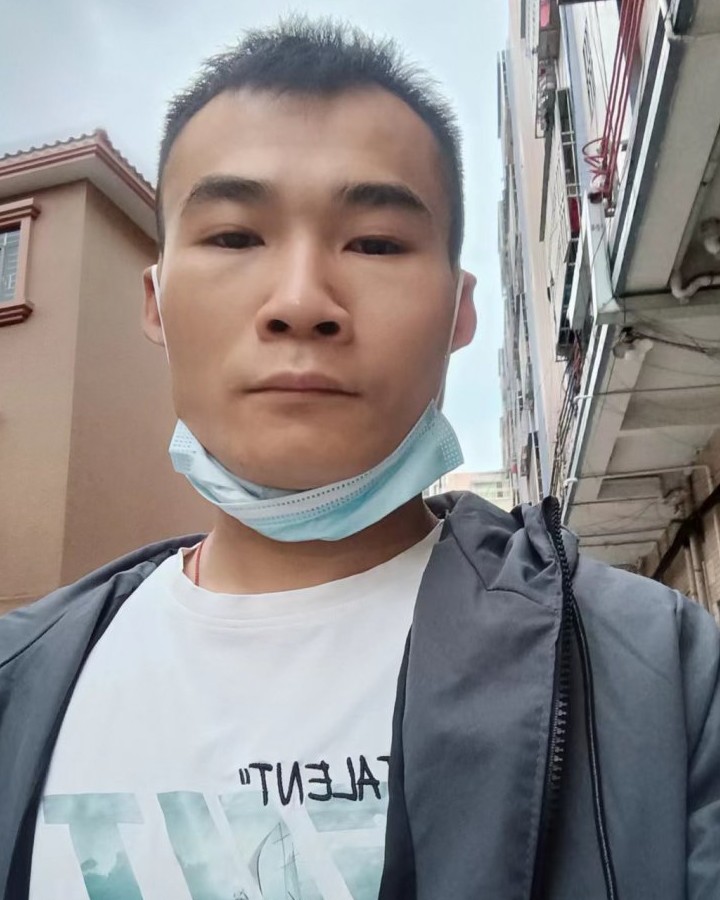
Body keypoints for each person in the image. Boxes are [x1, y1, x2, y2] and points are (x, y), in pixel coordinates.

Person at [0, 17, 718, 900]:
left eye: (376, 242)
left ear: (459, 313)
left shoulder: (658, 675)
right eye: (234, 237)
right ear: (155, 302)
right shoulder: (20, 683)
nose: (302, 302)